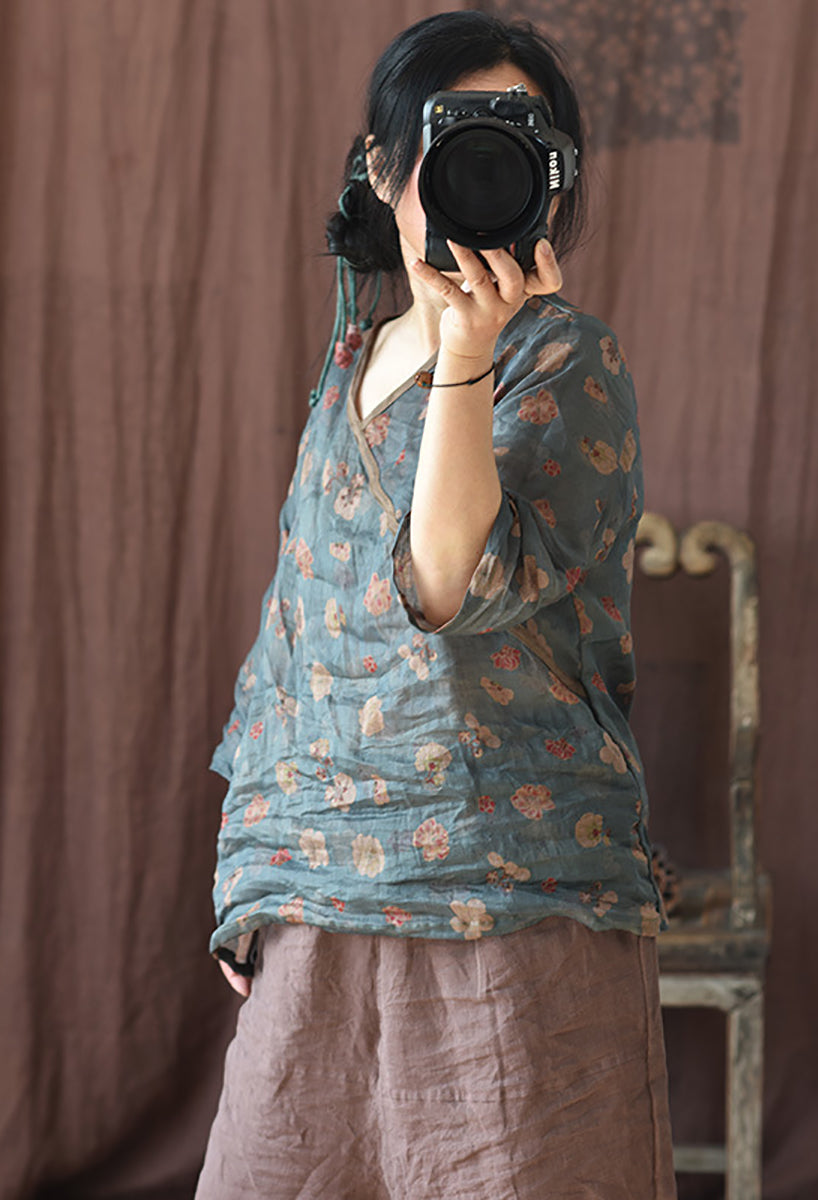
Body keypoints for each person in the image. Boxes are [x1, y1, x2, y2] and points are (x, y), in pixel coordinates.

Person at [195, 11, 678, 1199]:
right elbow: (293, 639)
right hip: (317, 896)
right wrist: (248, 869)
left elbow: (452, 585)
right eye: (451, 135)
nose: (479, 165)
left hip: (512, 901)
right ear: (382, 165)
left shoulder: (564, 358)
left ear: (554, 173)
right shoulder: (350, 359)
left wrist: (467, 346)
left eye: (516, 138)